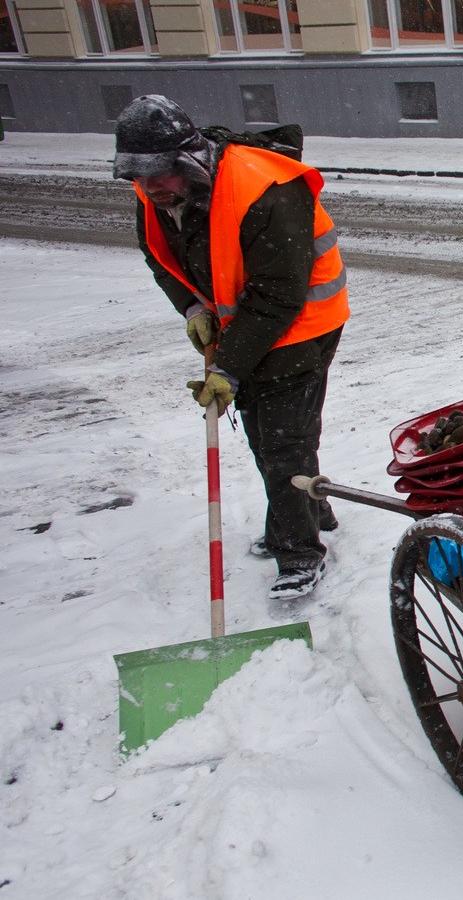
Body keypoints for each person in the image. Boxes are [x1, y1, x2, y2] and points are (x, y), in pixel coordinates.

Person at [113, 95, 347, 602]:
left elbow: (279, 294)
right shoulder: (155, 191)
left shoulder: (268, 190)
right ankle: (310, 509)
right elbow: (158, 255)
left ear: (189, 159)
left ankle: (299, 552)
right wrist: (193, 310)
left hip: (304, 321)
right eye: (140, 174)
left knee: (281, 440)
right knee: (271, 433)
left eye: (160, 173)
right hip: (249, 323)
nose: (151, 187)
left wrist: (228, 367)